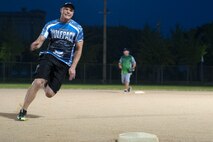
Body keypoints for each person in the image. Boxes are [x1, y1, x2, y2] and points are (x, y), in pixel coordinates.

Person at [17, 2, 84, 121]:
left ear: (73, 13)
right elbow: (41, 40)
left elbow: (79, 49)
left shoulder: (77, 28)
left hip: (64, 63)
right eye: (66, 9)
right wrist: (36, 44)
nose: (68, 12)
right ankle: (24, 110)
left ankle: (45, 82)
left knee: (49, 94)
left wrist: (73, 67)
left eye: (71, 10)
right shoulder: (51, 24)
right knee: (38, 82)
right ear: (61, 10)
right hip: (49, 56)